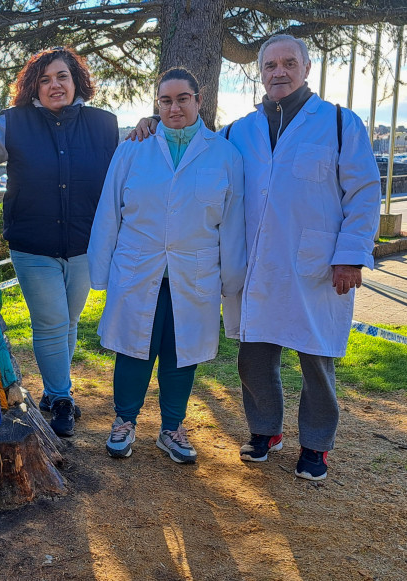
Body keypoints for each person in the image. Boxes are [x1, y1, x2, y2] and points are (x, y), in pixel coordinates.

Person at [132, 35, 379, 480]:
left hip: (317, 266)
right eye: (269, 65)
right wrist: (154, 122)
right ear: (259, 73)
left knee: (316, 358)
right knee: (254, 357)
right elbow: (195, 149)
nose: (278, 72)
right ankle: (265, 431)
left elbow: (363, 193)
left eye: (288, 63)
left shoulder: (341, 124)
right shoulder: (237, 131)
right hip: (256, 266)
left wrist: (350, 256)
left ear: (305, 68)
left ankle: (316, 444)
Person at [0, 47, 119, 437]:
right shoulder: (14, 123)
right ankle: (62, 396)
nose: (55, 85)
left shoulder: (104, 125)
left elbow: (128, 165)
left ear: (76, 82)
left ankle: (56, 392)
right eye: (45, 79)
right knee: (52, 321)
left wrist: (150, 126)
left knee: (68, 322)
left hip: (86, 242)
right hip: (32, 243)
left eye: (62, 77)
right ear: (33, 86)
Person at [89, 68, 246, 464]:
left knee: (181, 353)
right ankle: (124, 421)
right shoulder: (133, 148)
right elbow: (109, 212)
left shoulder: (224, 155)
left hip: (194, 273)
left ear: (198, 98)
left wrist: (232, 281)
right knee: (132, 349)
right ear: (157, 104)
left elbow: (232, 223)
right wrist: (100, 269)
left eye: (182, 99)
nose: (174, 107)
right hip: (138, 269)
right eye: (165, 100)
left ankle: (172, 428)